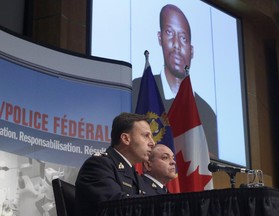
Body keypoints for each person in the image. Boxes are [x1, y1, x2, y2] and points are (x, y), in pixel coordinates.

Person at [132, 4, 218, 159]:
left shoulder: (206, 113)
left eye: (183, 38)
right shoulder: (138, 90)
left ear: (191, 50)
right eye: (170, 33)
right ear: (160, 38)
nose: (177, 44)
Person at [75, 112, 155, 216]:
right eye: (146, 136)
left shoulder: (135, 175)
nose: (152, 143)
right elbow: (116, 207)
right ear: (126, 139)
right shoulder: (98, 165)